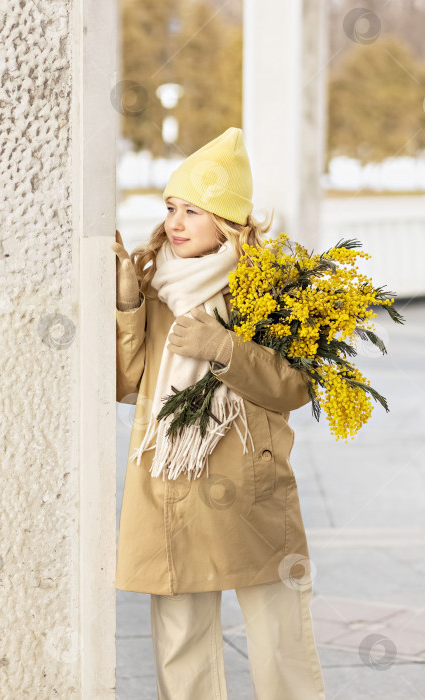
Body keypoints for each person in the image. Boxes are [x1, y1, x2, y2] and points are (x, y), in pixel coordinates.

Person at [112, 127, 325, 699]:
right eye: (171, 208)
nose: (176, 222)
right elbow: (126, 381)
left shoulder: (268, 288)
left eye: (194, 210)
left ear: (228, 221)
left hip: (250, 486)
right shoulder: (156, 288)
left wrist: (226, 347)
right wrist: (130, 303)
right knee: (180, 642)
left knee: (279, 635)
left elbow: (295, 386)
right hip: (171, 483)